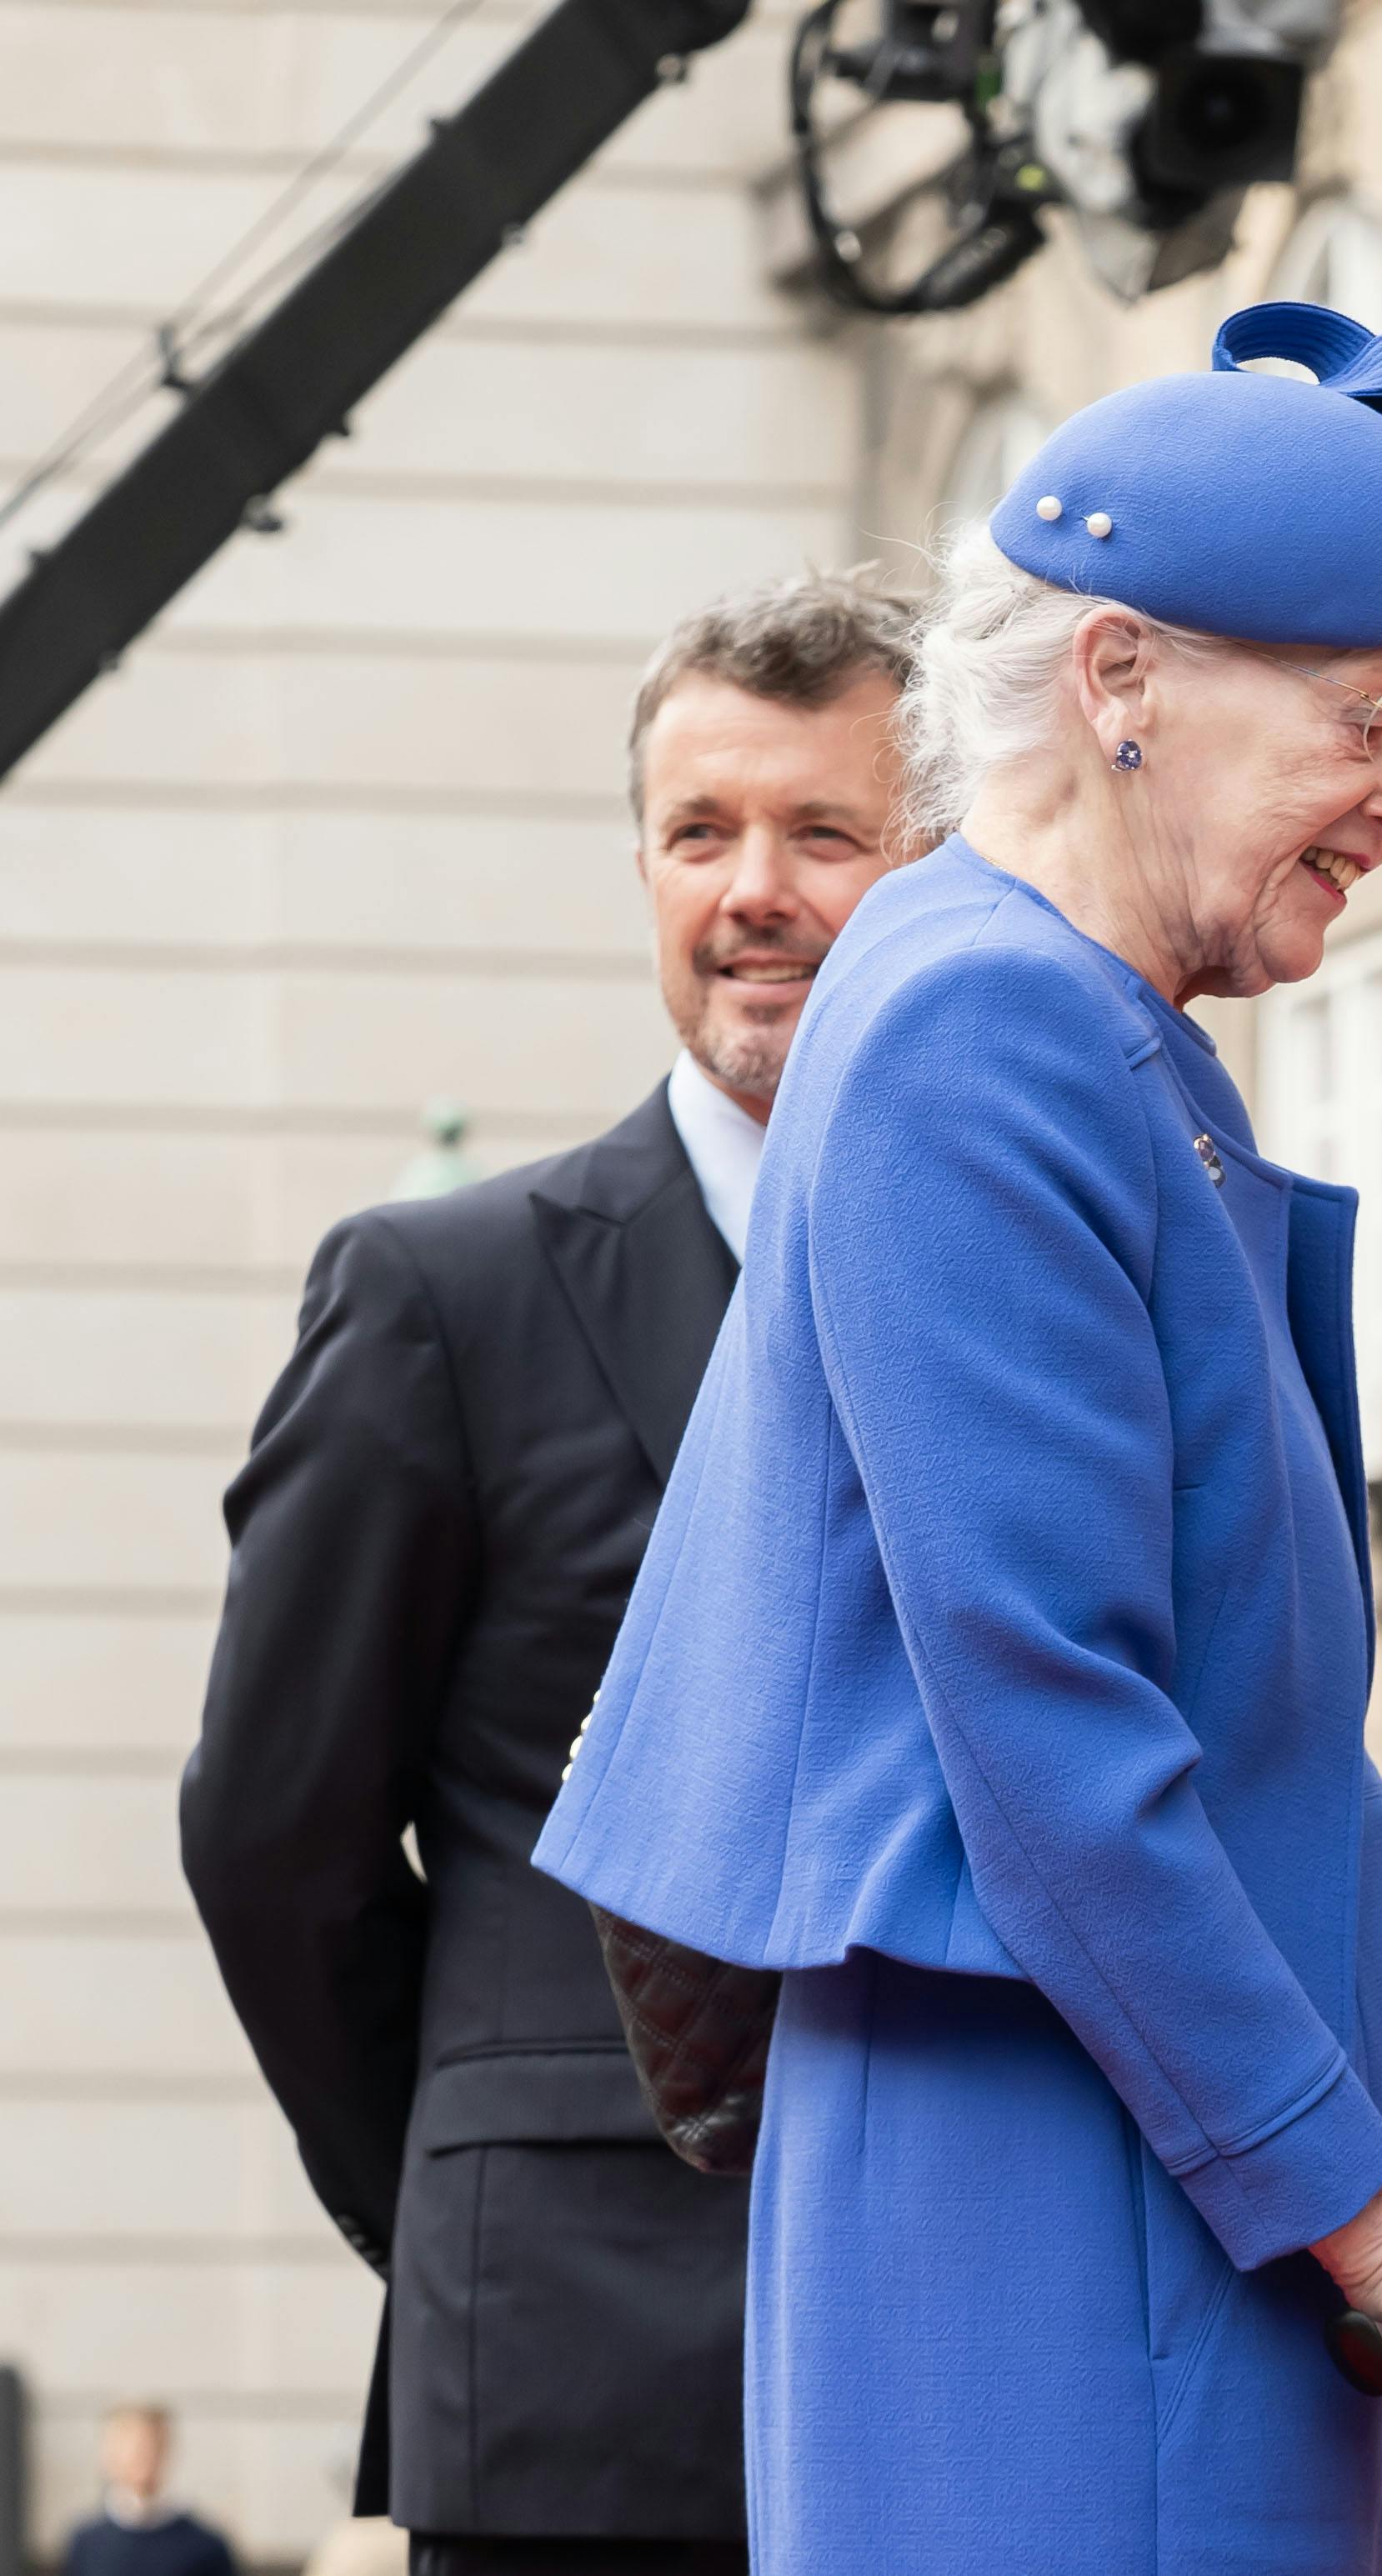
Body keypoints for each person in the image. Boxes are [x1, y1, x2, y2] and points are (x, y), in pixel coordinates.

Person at [533, 304, 1382, 2576]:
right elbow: (1045, 1726)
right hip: (1085, 2188)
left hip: (1136, 2162)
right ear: (1118, 678)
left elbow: (1185, 1658)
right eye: (1367, 724)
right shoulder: (984, 1031)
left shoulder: (1038, 1011)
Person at [181, 573, 919, 2576]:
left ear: (938, 868)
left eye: (822, 830)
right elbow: (275, 1837)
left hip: (967, 2344)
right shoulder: (441, 1295)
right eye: (701, 832)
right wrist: (456, 2175)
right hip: (579, 2375)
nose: (751, 889)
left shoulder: (1036, 1280)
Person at [58, 2407, 239, 2576]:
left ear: (166, 2450)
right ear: (109, 2455)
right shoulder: (87, 2542)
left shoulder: (204, 2546)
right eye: (131, 2448)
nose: (142, 2457)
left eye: (150, 2447)